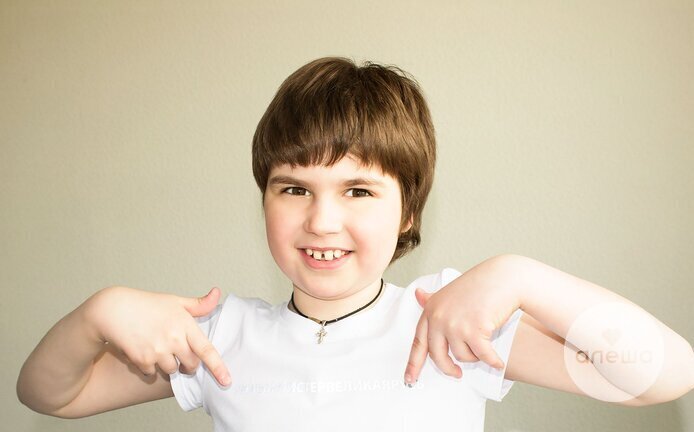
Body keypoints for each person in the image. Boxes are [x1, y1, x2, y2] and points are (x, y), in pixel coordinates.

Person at [16, 57, 694, 431]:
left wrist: (521, 278)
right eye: (293, 188)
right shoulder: (219, 340)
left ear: (408, 211)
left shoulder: (449, 328)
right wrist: (96, 313)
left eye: (359, 191)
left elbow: (664, 375)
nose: (321, 221)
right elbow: (51, 396)